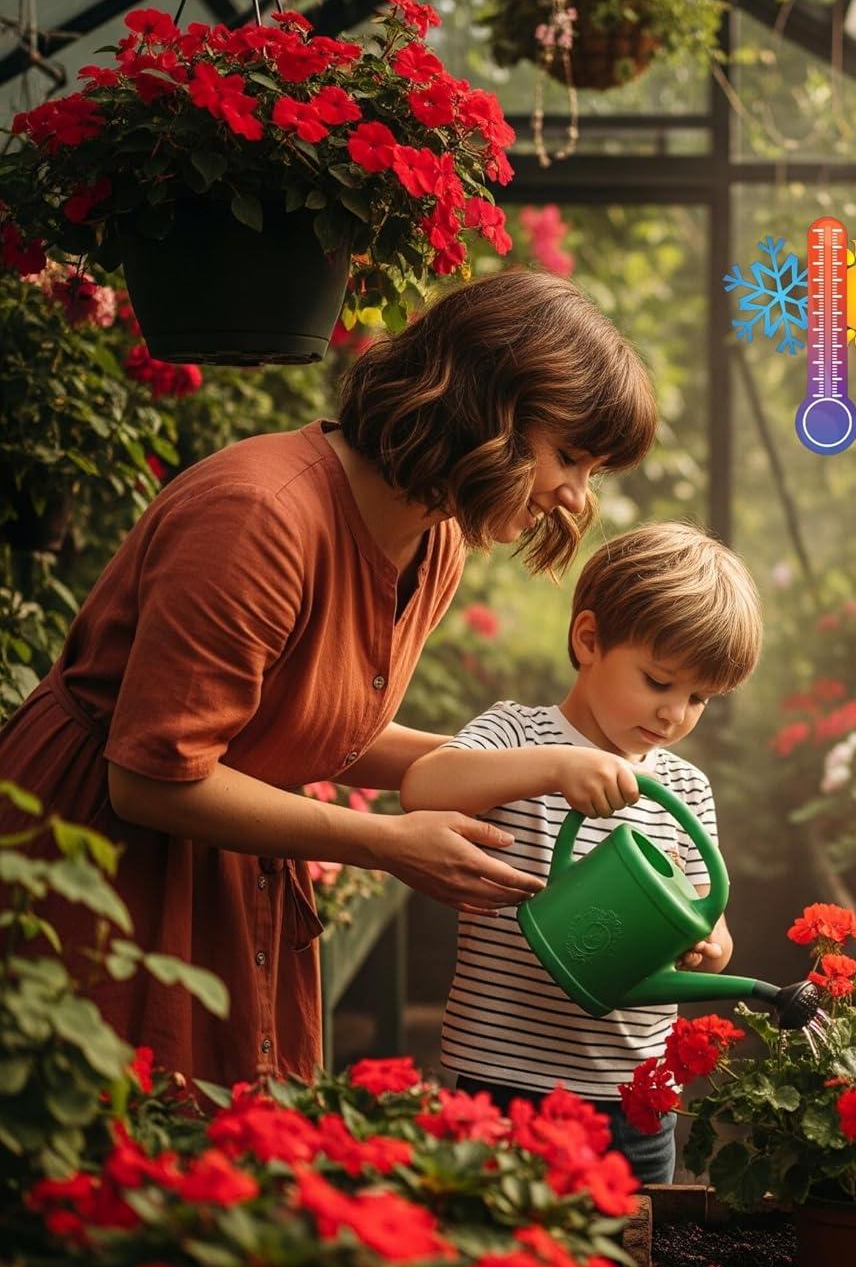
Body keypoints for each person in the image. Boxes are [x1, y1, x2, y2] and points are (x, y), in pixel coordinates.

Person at [0, 271, 657, 1087]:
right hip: (98, 849)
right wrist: (385, 843)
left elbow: (320, 726)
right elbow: (149, 778)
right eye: (570, 457)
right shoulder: (259, 518)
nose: (572, 498)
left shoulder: (435, 535)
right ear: (486, 408)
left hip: (220, 846)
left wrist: (523, 768)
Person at [400, 522, 762, 1182]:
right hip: (502, 1076)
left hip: (637, 1094)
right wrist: (555, 767)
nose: (675, 714)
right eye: (658, 682)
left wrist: (711, 946)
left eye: (698, 698)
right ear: (588, 639)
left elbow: (712, 916)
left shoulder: (684, 786)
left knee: (628, 1263)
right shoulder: (519, 735)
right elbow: (423, 786)